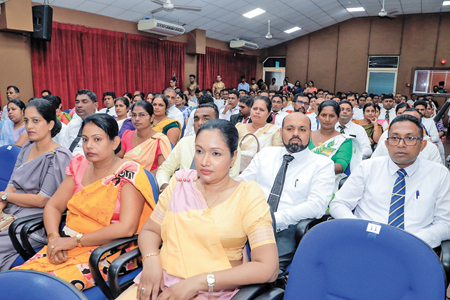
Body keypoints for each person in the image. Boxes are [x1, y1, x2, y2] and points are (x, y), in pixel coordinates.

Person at [119, 119, 278, 300]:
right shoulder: (180, 184)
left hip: (214, 290)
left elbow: (268, 267)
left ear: (233, 157)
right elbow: (149, 230)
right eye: (199, 151)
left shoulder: (248, 195)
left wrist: (198, 282)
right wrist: (150, 259)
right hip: (159, 282)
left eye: (216, 153)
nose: (204, 161)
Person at [18, 114, 156, 291]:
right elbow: (53, 206)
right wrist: (53, 238)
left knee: (46, 289)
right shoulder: (80, 165)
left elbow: (126, 228)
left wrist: (75, 241)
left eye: (97, 139)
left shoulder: (128, 173)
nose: (89, 145)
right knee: (23, 278)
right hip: (67, 242)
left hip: (109, 250)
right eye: (85, 139)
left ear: (114, 143)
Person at [238, 112, 334, 282]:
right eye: (290, 129)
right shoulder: (265, 155)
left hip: (285, 230)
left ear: (310, 134)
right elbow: (240, 185)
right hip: (248, 223)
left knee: (260, 275)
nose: (296, 133)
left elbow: (316, 206)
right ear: (281, 132)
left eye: (302, 129)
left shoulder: (322, 164)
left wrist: (274, 219)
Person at [330, 114, 450, 248]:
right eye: (394, 138)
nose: (401, 144)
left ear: (422, 145)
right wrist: (359, 229)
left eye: (410, 138)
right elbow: (339, 204)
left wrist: (417, 240)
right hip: (365, 242)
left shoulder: (439, 174)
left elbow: (446, 222)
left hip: (414, 247)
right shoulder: (368, 167)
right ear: (386, 144)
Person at [0, 99, 71, 270]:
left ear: (50, 124)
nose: (29, 126)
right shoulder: (26, 147)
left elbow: (42, 200)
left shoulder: (58, 155)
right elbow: (12, 183)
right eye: (26, 121)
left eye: (36, 121)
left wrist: (5, 196)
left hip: (34, 220)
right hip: (11, 210)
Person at [156, 102, 241, 192]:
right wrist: (165, 185)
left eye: (206, 119)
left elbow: (233, 177)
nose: (200, 123)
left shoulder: (228, 145)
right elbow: (164, 169)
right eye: (196, 119)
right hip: (182, 193)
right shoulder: (185, 142)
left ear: (216, 120)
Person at [309, 100, 362, 190]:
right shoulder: (307, 136)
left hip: (328, 185)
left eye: (332, 116)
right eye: (323, 115)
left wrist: (310, 167)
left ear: (338, 118)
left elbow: (340, 166)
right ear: (318, 117)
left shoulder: (344, 140)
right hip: (302, 182)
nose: (327, 119)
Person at [371, 108, 443, 165]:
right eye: (404, 120)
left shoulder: (430, 147)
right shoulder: (386, 142)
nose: (401, 145)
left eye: (413, 120)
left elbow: (437, 174)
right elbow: (372, 166)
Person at [118, 101, 171, 174]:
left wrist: (140, 178)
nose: (137, 118)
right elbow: (117, 159)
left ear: (152, 117)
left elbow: (163, 169)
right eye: (133, 115)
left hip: (149, 181)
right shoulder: (127, 135)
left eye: (142, 115)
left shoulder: (160, 139)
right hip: (125, 178)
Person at [59, 89, 98, 156]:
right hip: (70, 162)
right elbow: (64, 148)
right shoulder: (72, 124)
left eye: (84, 102)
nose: (79, 105)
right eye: (77, 102)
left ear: (95, 105)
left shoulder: (104, 124)